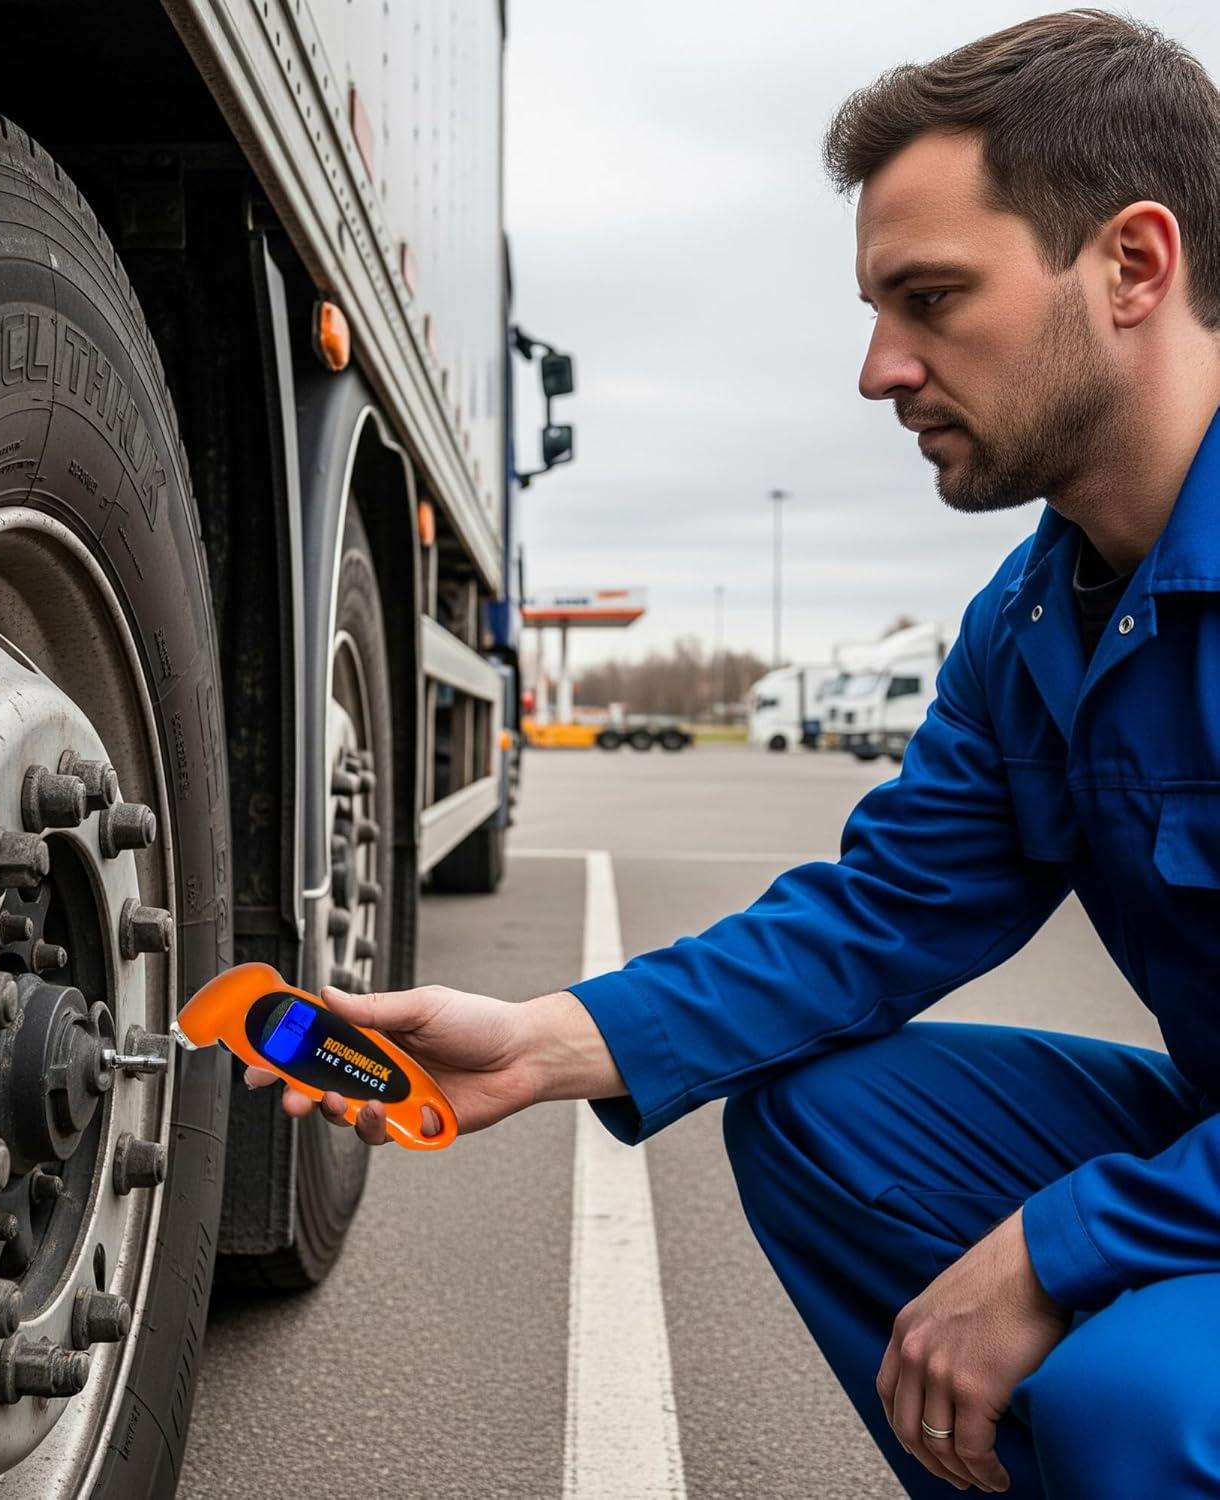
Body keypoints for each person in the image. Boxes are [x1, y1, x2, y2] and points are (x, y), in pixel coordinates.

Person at [247, 12, 1220, 1497]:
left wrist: (1058, 1249)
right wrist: (544, 1042)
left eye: (931, 297)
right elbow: (879, 915)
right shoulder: (1037, 619)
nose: (879, 370)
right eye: (874, 308)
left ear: (1134, 266)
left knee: (1135, 1397)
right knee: (827, 1128)